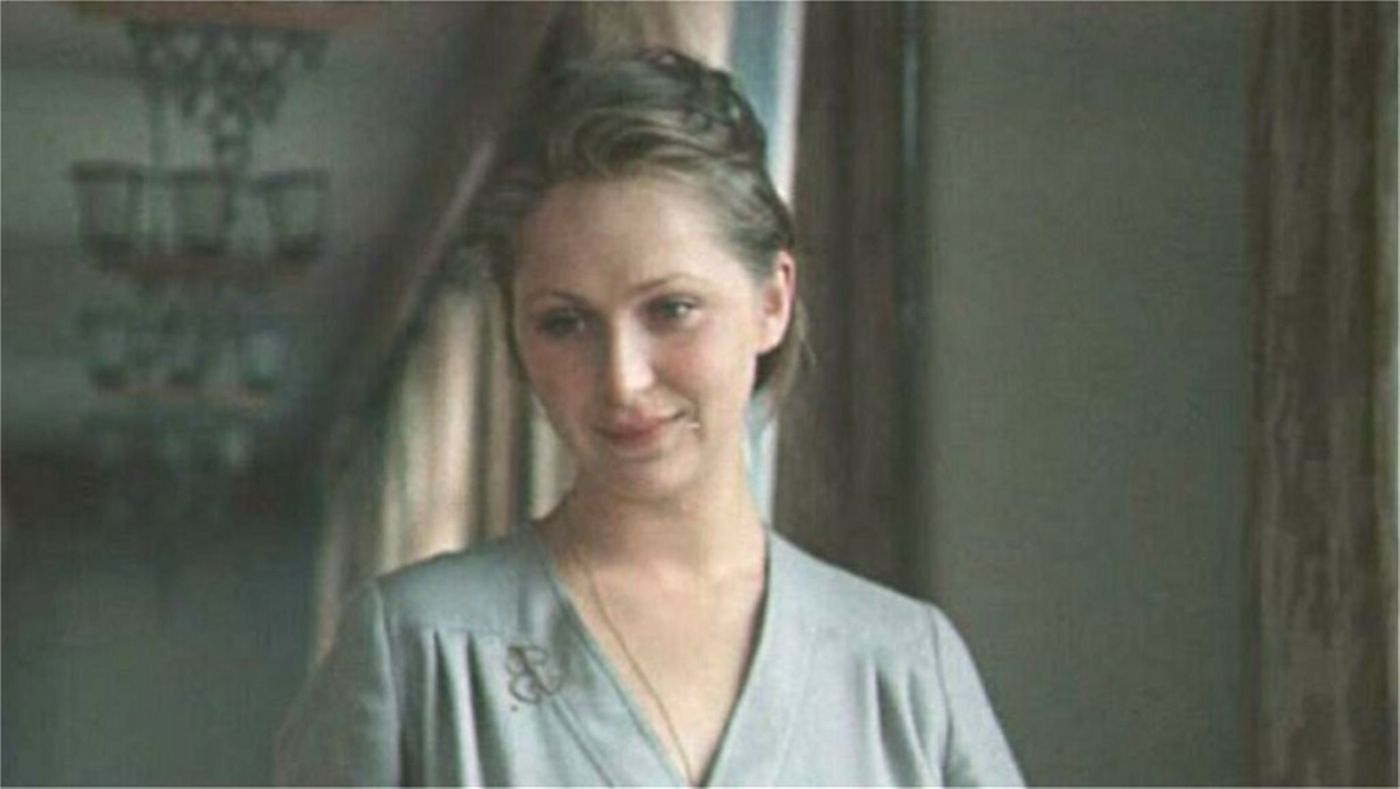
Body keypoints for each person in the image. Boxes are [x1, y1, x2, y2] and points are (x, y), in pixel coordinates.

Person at [275, 48, 1022, 787]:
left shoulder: (904, 667)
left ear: (772, 301)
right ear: (515, 336)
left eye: (672, 309)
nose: (622, 379)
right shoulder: (420, 651)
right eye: (565, 323)